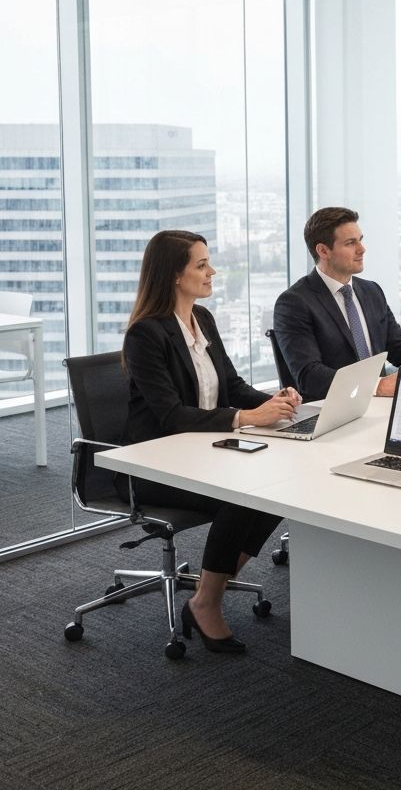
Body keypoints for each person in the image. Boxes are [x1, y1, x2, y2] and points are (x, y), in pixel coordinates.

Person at [123, 230, 299, 654]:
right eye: (201, 265)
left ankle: (210, 586)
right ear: (173, 274)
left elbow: (232, 386)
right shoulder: (146, 335)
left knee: (280, 489)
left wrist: (274, 402)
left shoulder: (202, 319)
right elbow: (171, 416)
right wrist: (247, 418)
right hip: (155, 465)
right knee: (241, 496)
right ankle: (207, 602)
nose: (212, 271)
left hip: (205, 453)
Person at [273, 206, 401, 401]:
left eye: (360, 240)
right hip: (332, 409)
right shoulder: (294, 303)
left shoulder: (371, 291)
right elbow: (310, 376)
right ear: (323, 250)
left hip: (378, 403)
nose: (362, 249)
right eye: (350, 243)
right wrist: (376, 386)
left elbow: (399, 346)